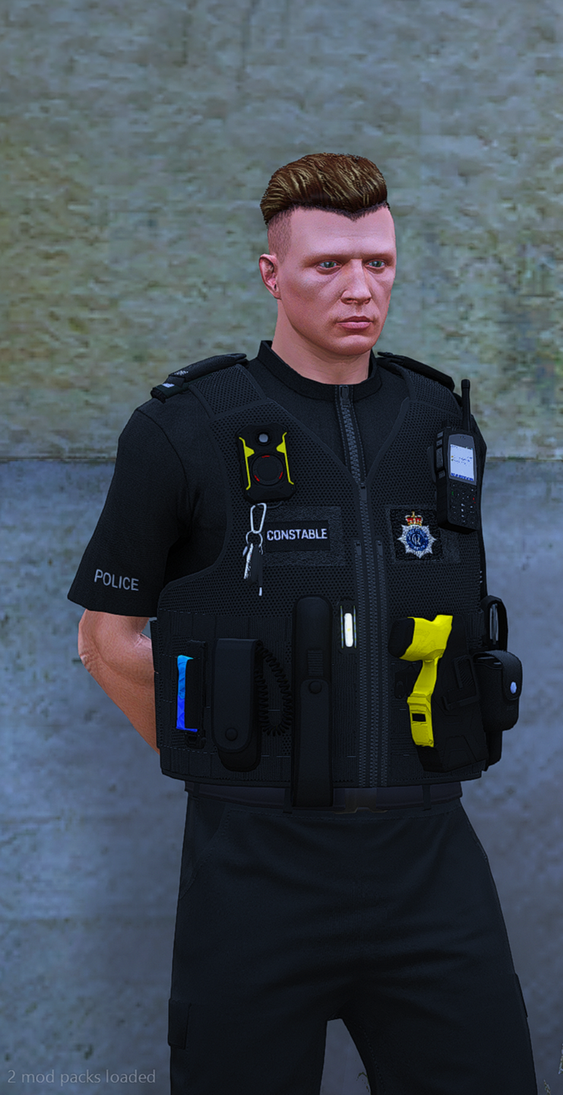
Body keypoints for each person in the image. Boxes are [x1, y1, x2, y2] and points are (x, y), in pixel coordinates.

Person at [71, 153, 534, 1094]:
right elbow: (106, 639)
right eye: (329, 264)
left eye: (379, 263)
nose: (360, 289)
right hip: (255, 870)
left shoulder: (440, 421)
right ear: (271, 273)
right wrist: (231, 766)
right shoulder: (184, 428)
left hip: (429, 861)